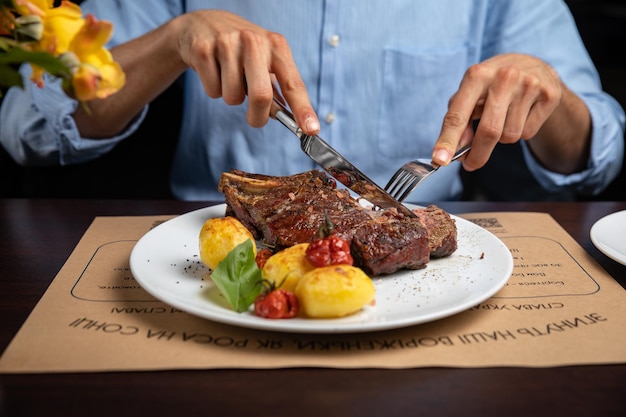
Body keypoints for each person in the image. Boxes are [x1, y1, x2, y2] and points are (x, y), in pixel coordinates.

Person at [1, 0, 624, 202]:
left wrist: (550, 94)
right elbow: (32, 128)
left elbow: (595, 159)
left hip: (430, 273)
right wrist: (172, 41)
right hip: (210, 250)